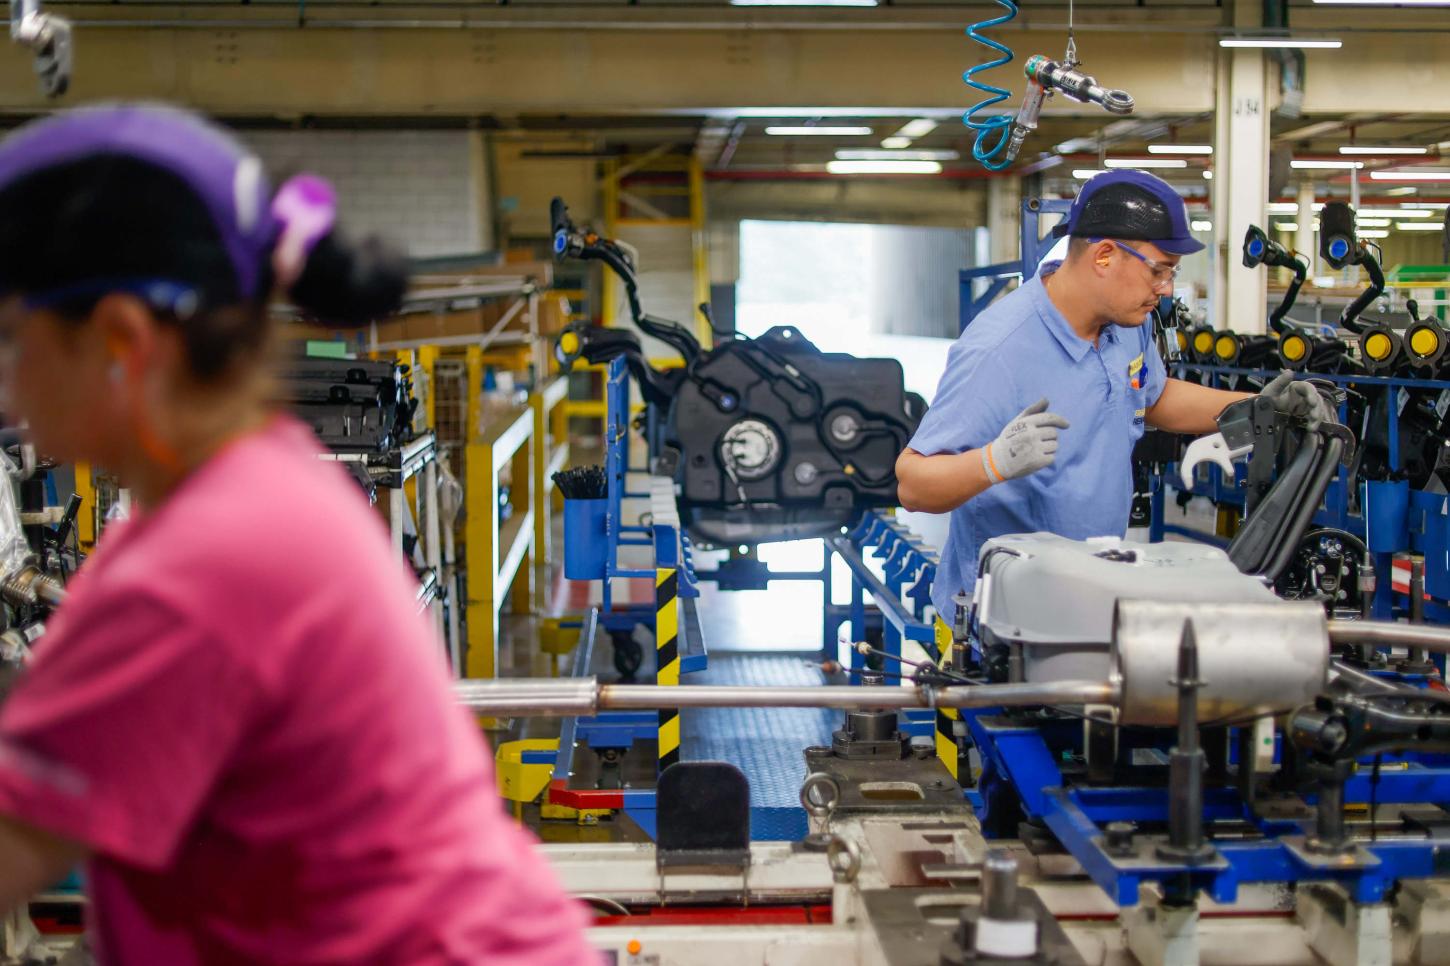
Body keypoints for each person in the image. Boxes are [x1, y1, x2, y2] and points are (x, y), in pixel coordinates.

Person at [0, 104, 597, 964]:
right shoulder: (250, 488)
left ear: (121, 341)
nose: (9, 389)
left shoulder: (205, 562)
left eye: (12, 340)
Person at [896, 170, 1331, 622]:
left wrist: (1260, 407)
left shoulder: (1128, 325)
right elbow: (912, 483)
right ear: (1104, 255)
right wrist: (992, 462)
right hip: (1000, 619)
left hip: (1090, 592)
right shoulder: (1000, 349)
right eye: (1158, 270)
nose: (1164, 288)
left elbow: (1154, 398)